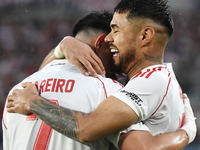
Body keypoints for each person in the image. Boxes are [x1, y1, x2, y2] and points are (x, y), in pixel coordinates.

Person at [6, 0, 197, 149]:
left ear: (145, 36)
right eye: (110, 32)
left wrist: (33, 101)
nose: (110, 39)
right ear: (99, 43)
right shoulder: (110, 91)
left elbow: (86, 129)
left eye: (116, 30)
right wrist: (62, 45)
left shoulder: (19, 91)